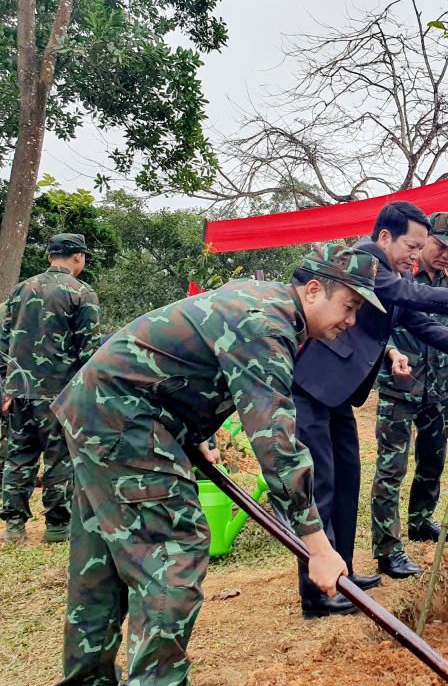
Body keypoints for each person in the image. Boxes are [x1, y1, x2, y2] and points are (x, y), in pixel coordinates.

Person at [53, 243, 380, 686]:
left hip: (102, 410)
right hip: (123, 419)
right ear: (315, 290)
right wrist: (320, 548)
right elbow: (276, 445)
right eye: (350, 305)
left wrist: (194, 435)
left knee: (101, 562)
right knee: (173, 546)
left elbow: (193, 364)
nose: (352, 320)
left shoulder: (260, 302)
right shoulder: (266, 325)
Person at [292, 202, 448, 606]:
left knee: (346, 479)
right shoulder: (362, 260)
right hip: (312, 387)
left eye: (419, 249)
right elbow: (409, 294)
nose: (415, 256)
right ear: (384, 238)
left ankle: (341, 573)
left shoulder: (393, 277)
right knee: (322, 484)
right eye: (412, 246)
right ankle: (318, 591)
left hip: (338, 395)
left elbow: (415, 320)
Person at [370, 212, 448, 578]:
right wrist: (390, 352)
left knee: (433, 459)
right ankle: (387, 547)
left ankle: (421, 520)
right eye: (441, 246)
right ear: (425, 240)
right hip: (401, 387)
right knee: (392, 467)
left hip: (439, 386)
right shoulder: (398, 275)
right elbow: (377, 326)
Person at [0, 233, 100, 545]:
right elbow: (90, 352)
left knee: (18, 456)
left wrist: (5, 388)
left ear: (49, 257)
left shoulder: (19, 291)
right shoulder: (82, 293)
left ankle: (13, 527)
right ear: (79, 258)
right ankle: (57, 527)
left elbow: (3, 343)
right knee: (60, 457)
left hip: (18, 391)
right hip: (60, 393)